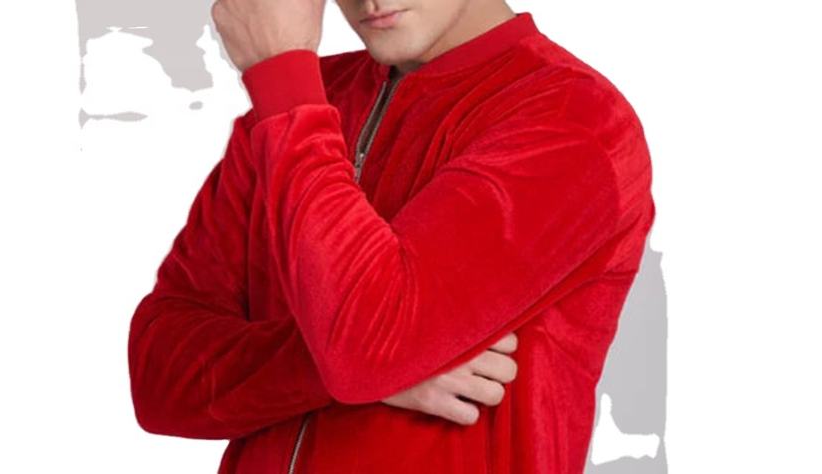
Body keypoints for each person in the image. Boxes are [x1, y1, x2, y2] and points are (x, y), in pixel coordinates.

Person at [127, 0, 656, 472]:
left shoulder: (575, 120)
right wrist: (360, 368)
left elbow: (364, 348)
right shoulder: (294, 107)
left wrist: (372, 358)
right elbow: (160, 380)